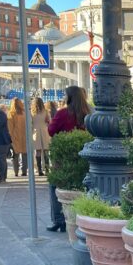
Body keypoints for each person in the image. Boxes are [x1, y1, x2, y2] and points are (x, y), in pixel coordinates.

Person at [46, 86, 90, 233]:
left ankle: (59, 220)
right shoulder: (89, 113)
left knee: (55, 186)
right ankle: (80, 217)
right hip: (84, 155)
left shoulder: (63, 113)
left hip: (64, 156)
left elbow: (51, 131)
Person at [7, 98, 28, 177]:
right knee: (24, 155)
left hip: (15, 136)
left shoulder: (11, 114)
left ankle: (16, 172)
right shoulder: (25, 113)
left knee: (15, 155)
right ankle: (24, 171)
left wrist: (11, 136)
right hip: (25, 136)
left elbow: (10, 128)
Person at [31, 97, 51, 176]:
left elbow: (31, 123)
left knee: (38, 152)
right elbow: (48, 121)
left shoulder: (32, 112)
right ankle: (46, 169)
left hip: (35, 132)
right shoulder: (45, 111)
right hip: (44, 131)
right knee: (46, 151)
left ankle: (39, 170)